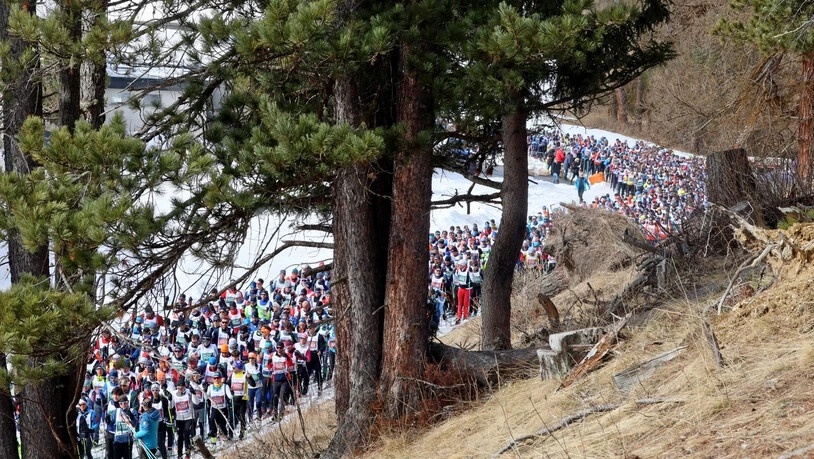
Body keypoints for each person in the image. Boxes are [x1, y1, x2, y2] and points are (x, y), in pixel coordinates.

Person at [170, 378, 199, 459]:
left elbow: (197, 402)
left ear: (184, 387)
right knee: (180, 436)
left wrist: (194, 394)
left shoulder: (188, 393)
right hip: (179, 418)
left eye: (181, 388)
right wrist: (169, 399)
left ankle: (187, 453)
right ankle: (179, 454)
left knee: (186, 434)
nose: (180, 390)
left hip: (189, 417)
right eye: (178, 388)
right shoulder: (174, 393)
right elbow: (171, 406)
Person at [206, 372, 233, 443]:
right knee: (213, 424)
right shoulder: (210, 387)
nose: (216, 380)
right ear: (213, 379)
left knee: (222, 425)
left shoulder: (225, 386)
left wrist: (232, 394)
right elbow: (206, 397)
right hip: (214, 409)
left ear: (221, 378)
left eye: (218, 378)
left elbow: (229, 396)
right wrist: (204, 391)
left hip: (223, 409)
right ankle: (213, 442)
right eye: (214, 378)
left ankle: (225, 438)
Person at [228, 360, 248, 439]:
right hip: (234, 399)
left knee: (242, 416)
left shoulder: (244, 374)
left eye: (234, 367)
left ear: (238, 368)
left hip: (242, 399)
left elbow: (252, 384)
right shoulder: (232, 375)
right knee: (232, 417)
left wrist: (249, 378)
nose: (233, 369)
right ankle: (230, 434)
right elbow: (227, 383)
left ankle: (242, 432)